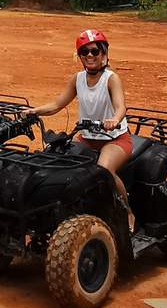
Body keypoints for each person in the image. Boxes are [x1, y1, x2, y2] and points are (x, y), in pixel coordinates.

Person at [25, 29, 134, 215]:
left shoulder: (111, 79)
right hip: (87, 137)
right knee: (59, 161)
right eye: (84, 52)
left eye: (95, 51)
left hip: (114, 139)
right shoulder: (77, 79)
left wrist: (115, 120)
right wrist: (34, 111)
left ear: (104, 54)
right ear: (79, 56)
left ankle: (127, 213)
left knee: (104, 169)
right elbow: (58, 104)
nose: (90, 55)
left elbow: (120, 107)